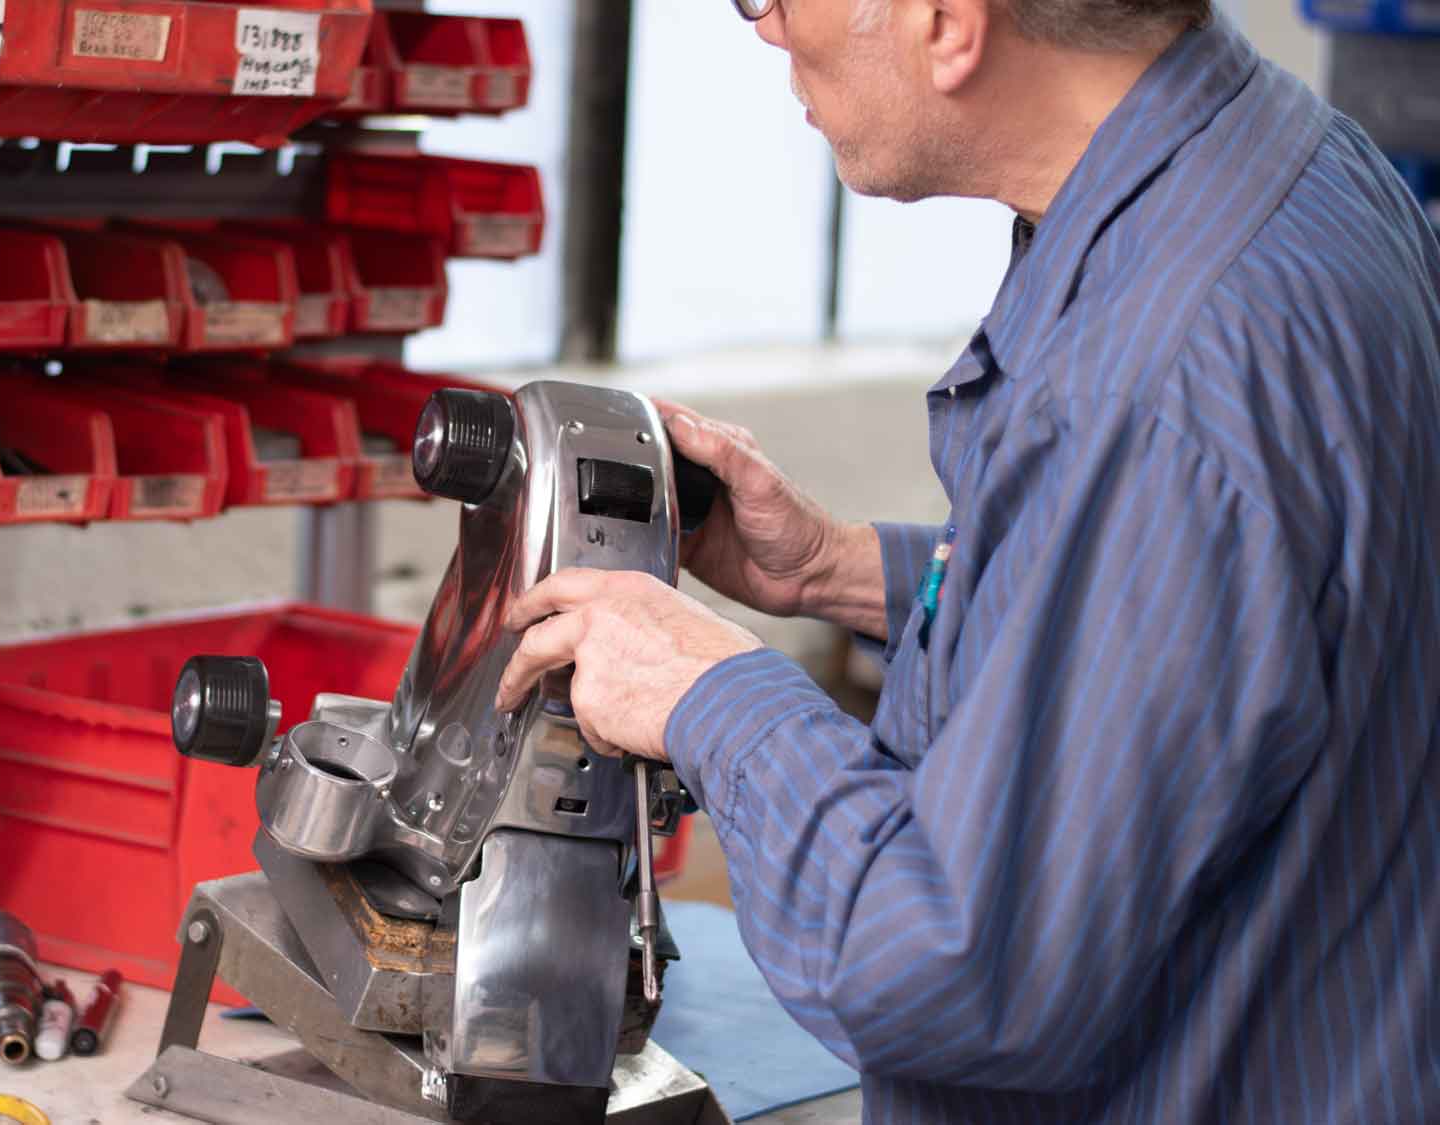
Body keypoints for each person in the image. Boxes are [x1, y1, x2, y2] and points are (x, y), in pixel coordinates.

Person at [495, 0, 1440, 1119]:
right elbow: (1204, 614)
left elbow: (957, 970)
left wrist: (711, 697)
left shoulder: (1152, 381)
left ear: (944, 22)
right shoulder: (1287, 161)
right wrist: (839, 572)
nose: (763, 29)